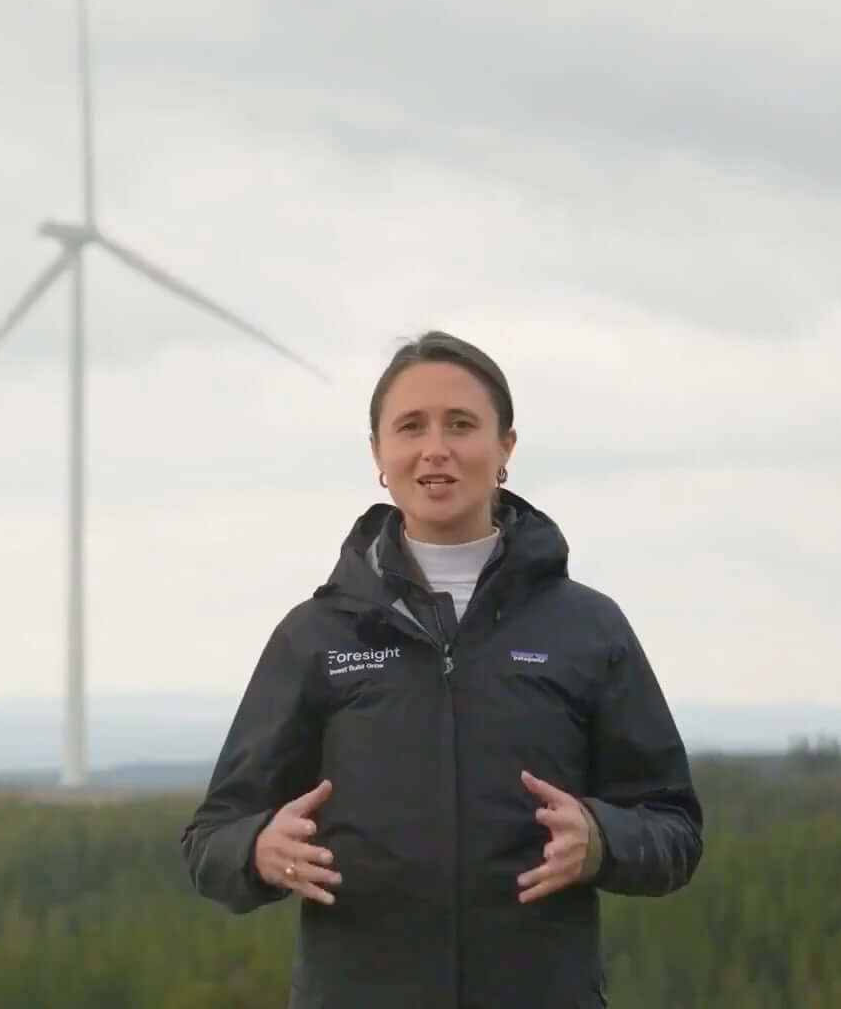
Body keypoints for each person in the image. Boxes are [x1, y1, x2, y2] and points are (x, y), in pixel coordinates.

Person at [179, 330, 704, 1008]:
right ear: (378, 455)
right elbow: (209, 839)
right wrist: (258, 849)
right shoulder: (315, 636)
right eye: (410, 426)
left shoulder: (588, 629)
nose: (436, 448)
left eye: (461, 424)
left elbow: (675, 828)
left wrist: (601, 840)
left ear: (506, 448)